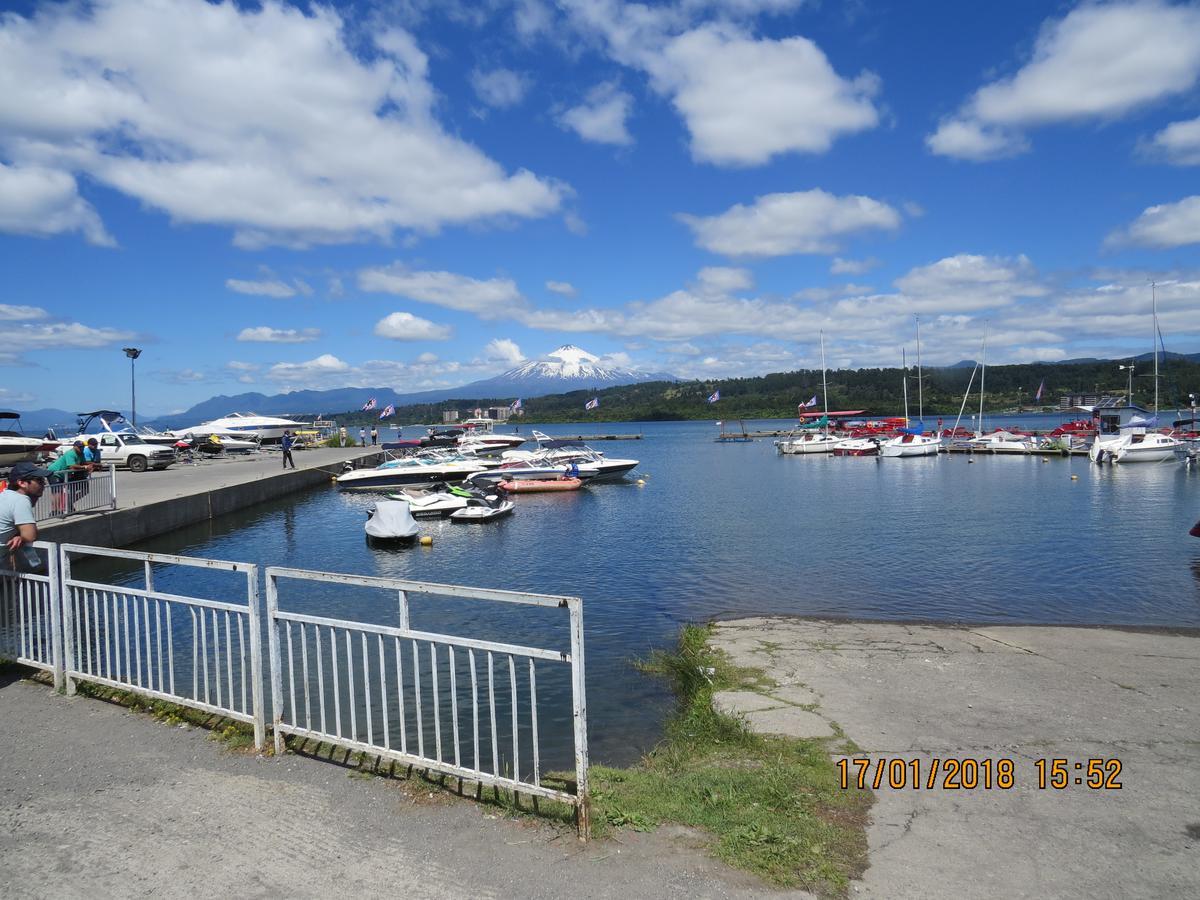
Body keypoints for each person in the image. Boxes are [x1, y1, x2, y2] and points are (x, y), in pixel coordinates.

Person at [1, 461, 49, 571]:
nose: (44, 484)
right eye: (39, 480)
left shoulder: (4, 495)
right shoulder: (21, 500)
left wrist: (19, 535)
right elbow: (30, 535)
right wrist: (23, 536)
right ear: (22, 483)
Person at [47, 440, 90, 514]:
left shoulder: (81, 454)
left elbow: (84, 463)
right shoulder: (70, 453)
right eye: (80, 447)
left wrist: (93, 465)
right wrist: (85, 467)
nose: (81, 448)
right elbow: (72, 466)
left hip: (64, 474)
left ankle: (67, 506)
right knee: (57, 491)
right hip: (55, 472)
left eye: (83, 447)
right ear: (74, 447)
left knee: (66, 491)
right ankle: (55, 511)